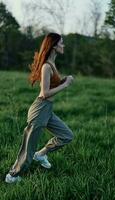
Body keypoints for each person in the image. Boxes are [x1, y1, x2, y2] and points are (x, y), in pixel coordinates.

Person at [5, 32, 74, 183]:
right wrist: (66, 84)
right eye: (61, 43)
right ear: (54, 46)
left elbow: (51, 85)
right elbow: (45, 93)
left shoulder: (52, 64)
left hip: (47, 110)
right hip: (40, 109)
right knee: (28, 148)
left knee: (67, 135)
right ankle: (12, 176)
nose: (64, 45)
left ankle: (41, 154)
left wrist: (63, 80)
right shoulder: (46, 67)